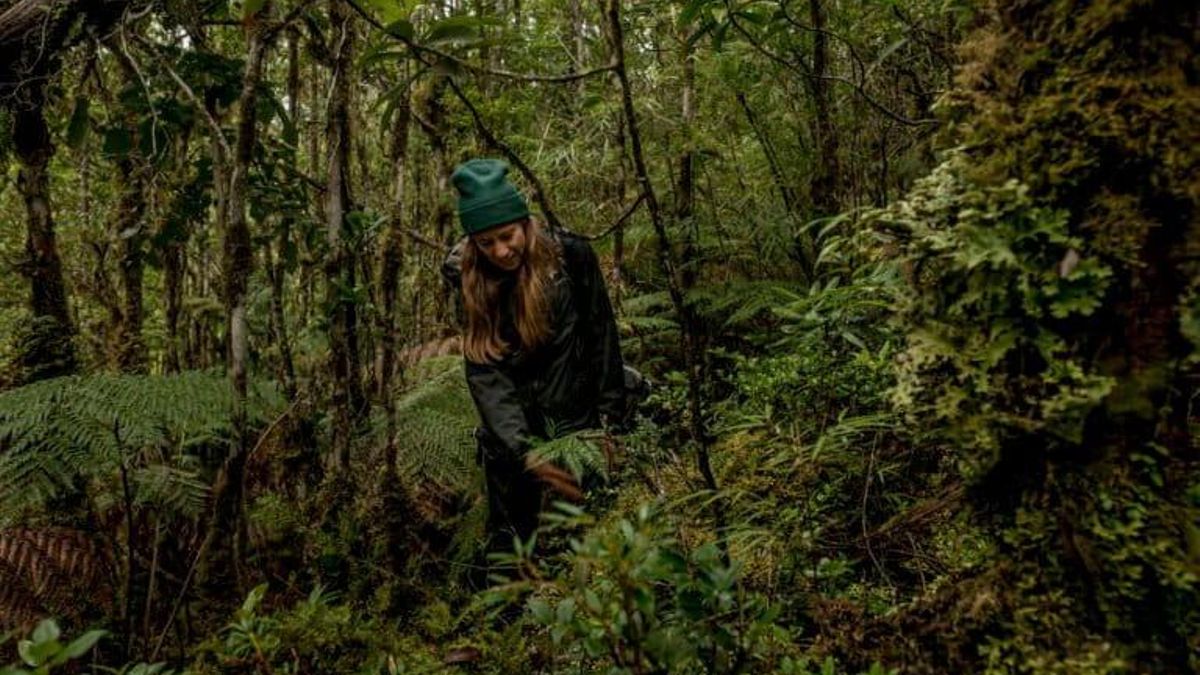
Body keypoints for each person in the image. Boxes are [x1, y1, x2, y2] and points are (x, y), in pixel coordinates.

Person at [441, 158, 627, 553]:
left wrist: (611, 425)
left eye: (506, 236)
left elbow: (601, 338)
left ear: (524, 223)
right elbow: (487, 375)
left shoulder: (570, 256)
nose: (500, 251)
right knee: (510, 550)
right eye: (485, 242)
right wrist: (526, 453)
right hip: (511, 442)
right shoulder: (470, 279)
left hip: (579, 428)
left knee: (591, 541)